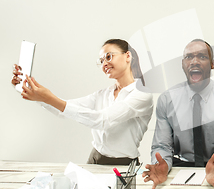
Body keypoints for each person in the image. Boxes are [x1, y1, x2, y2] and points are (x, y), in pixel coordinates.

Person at [11, 39, 154, 165]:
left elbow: (102, 120)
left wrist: (48, 97)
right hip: (94, 159)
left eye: (108, 57)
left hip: (124, 165)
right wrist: (36, 93)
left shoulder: (141, 94)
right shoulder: (103, 94)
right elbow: (64, 110)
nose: (104, 63)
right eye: (101, 61)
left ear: (127, 56)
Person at [143, 39, 214, 189]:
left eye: (202, 57)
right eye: (189, 57)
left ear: (213, 64)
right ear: (183, 64)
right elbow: (162, 146)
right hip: (179, 170)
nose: (195, 61)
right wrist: (162, 164)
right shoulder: (167, 100)